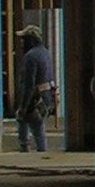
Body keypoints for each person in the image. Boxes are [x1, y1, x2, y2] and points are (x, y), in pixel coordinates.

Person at [12, 25, 56, 156]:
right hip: (46, 97)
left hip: (36, 99)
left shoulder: (30, 56)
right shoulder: (45, 53)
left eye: (24, 39)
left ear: (31, 40)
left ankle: (28, 151)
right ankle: (37, 152)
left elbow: (29, 85)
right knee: (37, 127)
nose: (21, 43)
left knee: (34, 127)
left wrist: (23, 107)